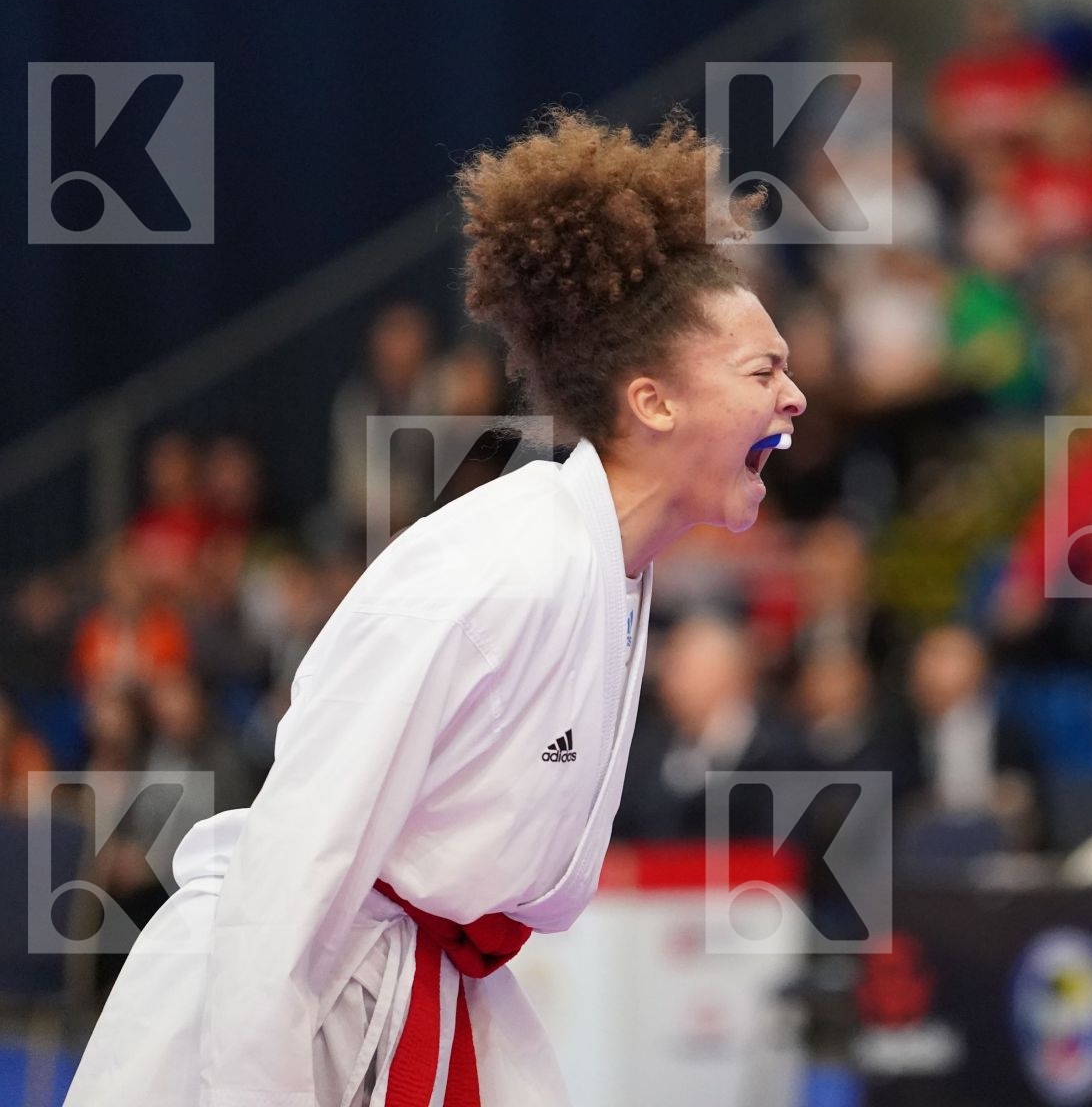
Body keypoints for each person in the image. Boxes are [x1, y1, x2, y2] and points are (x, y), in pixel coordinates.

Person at [64, 108, 805, 1107]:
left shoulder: (603, 571)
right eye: (762, 371)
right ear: (652, 402)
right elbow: (291, 866)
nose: (794, 397)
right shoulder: (499, 568)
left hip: (408, 992)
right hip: (266, 1002)